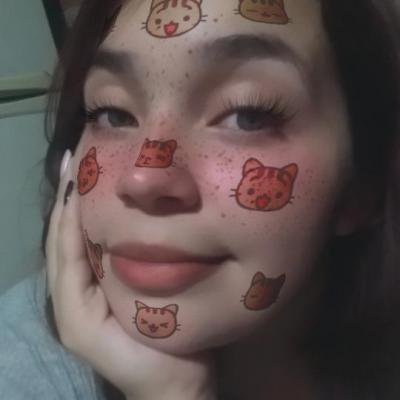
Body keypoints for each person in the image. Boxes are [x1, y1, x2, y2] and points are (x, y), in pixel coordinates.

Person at [1, 0, 400, 399]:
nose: (144, 177)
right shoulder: (22, 363)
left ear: (362, 182)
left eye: (248, 116)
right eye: (113, 114)